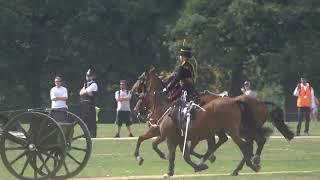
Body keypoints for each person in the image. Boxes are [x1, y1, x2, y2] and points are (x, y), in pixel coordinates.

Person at [80, 69, 98, 138]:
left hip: (90, 104)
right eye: (87, 75)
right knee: (84, 119)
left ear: (92, 76)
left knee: (91, 119)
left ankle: (93, 134)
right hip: (84, 104)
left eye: (89, 75)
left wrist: (85, 92)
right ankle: (87, 134)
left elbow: (83, 92)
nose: (87, 77)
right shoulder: (85, 84)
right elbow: (80, 93)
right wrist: (86, 92)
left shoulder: (94, 84)